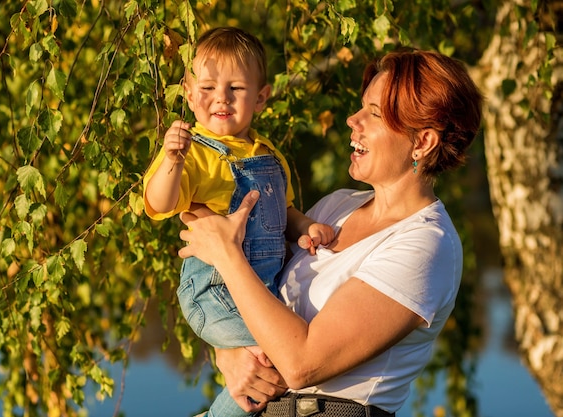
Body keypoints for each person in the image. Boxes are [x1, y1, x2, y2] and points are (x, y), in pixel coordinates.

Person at [177, 47, 484, 417]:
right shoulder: (336, 207)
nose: (352, 120)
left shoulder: (426, 246)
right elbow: (257, 301)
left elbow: (300, 364)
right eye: (361, 107)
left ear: (422, 142)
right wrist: (228, 352)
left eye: (373, 113)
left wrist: (226, 255)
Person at [142, 27, 335, 417]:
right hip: (211, 292)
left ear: (261, 97)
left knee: (273, 368)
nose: (222, 98)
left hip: (258, 292)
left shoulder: (269, 155)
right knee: (281, 355)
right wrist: (171, 161)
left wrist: (305, 228)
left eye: (237, 88)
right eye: (208, 87)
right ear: (190, 94)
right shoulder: (193, 154)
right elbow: (158, 202)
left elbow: (286, 213)